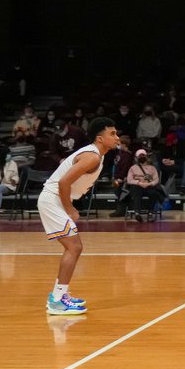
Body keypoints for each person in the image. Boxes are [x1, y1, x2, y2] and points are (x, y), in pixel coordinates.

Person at [40, 117, 120, 315]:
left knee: (74, 247)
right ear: (100, 139)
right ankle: (57, 300)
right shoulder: (91, 156)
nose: (117, 138)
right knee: (74, 247)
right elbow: (63, 183)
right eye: (112, 134)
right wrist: (70, 209)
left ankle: (60, 295)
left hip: (55, 199)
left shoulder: (96, 156)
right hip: (53, 199)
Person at [125, 149, 165, 221]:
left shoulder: (152, 168)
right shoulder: (133, 168)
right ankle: (137, 213)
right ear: (136, 158)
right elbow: (129, 180)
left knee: (154, 193)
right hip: (137, 186)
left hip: (149, 186)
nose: (142, 157)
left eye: (143, 155)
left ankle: (150, 213)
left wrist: (149, 183)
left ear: (146, 157)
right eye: (140, 156)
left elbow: (156, 179)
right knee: (136, 192)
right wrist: (139, 183)